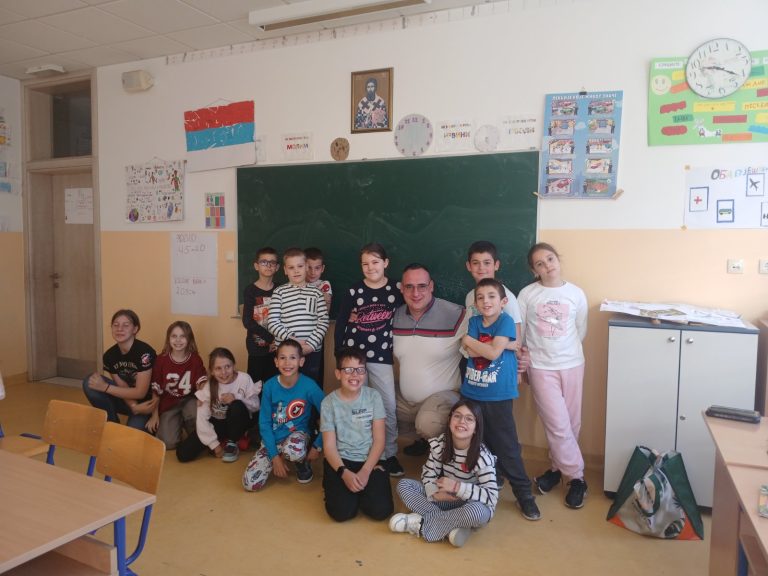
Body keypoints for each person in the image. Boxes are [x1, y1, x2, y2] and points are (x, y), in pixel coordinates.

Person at [461, 278, 541, 521]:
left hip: (498, 395)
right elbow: (473, 351)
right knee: (477, 443)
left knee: (507, 447)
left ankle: (524, 494)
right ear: (475, 303)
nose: (486, 301)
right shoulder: (474, 321)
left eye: (491, 297)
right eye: (480, 297)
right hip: (471, 392)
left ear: (503, 301)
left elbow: (492, 352)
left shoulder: (505, 321)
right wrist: (495, 345)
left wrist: (471, 341)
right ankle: (486, 483)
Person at [518, 242, 589, 509]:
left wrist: (565, 352)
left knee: (572, 423)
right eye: (540, 263)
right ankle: (577, 477)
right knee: (557, 424)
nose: (547, 266)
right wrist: (523, 365)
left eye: (550, 259)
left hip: (572, 364)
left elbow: (580, 329)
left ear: (558, 259)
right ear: (534, 270)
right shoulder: (527, 294)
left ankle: (557, 470)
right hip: (541, 367)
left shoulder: (576, 294)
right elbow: (521, 332)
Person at [334, 242, 404, 476]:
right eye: (365, 264)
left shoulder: (397, 289)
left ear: (386, 263)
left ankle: (389, 454)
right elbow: (341, 322)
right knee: (356, 404)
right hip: (355, 358)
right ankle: (356, 451)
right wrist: (339, 354)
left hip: (382, 357)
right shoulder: (354, 291)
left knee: (387, 405)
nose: (370, 267)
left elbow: (410, 312)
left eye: (375, 262)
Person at [389, 399, 497, 547]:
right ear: (449, 420)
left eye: (469, 419)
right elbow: (428, 472)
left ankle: (421, 524)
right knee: (404, 485)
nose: (462, 421)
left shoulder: (482, 456)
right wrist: (433, 492)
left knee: (476, 512)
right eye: (457, 416)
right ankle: (453, 527)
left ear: (476, 428)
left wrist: (457, 487)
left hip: (470, 504)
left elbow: (491, 497)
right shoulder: (440, 444)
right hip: (445, 499)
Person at [392, 263, 467, 457]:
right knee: (372, 405)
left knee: (428, 423)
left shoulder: (456, 314)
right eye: (409, 287)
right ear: (402, 289)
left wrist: (516, 349)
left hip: (445, 396)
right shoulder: (395, 316)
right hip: (406, 401)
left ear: (431, 286)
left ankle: (447, 453)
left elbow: (489, 327)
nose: (415, 293)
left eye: (422, 286)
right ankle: (424, 440)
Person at [320, 347, 393, 522]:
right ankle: (336, 485)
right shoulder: (328, 403)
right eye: (348, 370)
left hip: (371, 461)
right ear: (338, 374)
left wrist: (366, 471)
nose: (355, 375)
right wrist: (344, 472)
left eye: (360, 370)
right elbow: (329, 447)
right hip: (342, 461)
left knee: (381, 511)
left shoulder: (373, 396)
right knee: (341, 513)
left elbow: (379, 440)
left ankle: (359, 490)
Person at [242, 339, 324, 490]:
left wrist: (317, 446)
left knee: (293, 450)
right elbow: (264, 423)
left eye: (293, 357)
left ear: (301, 361)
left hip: (297, 436)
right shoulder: (269, 386)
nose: (287, 363)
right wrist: (274, 457)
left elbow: (329, 415)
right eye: (282, 358)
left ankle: (301, 463)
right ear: (276, 362)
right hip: (273, 438)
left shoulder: (310, 386)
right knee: (250, 484)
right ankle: (280, 455)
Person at [176, 348, 261, 463]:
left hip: (239, 422)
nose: (224, 372)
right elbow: (202, 419)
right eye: (218, 368)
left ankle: (233, 442)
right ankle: (223, 441)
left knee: (236, 406)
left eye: (227, 366)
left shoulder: (244, 379)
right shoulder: (208, 386)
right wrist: (214, 445)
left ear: (233, 365)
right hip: (219, 424)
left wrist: (236, 397)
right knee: (183, 454)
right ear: (211, 371)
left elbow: (256, 406)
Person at [83, 309, 157, 430]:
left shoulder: (144, 353)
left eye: (125, 325)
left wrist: (105, 387)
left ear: (135, 329)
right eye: (116, 325)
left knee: (133, 431)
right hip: (128, 400)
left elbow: (141, 392)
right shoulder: (109, 356)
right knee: (89, 382)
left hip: (146, 404)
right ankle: (112, 424)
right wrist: (133, 406)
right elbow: (122, 385)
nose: (119, 329)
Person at [267, 247, 329, 387]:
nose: (296, 271)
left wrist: (310, 345)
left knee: (309, 387)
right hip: (287, 353)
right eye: (291, 267)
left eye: (300, 266)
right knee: (287, 386)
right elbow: (272, 322)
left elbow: (323, 322)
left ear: (306, 267)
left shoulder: (317, 293)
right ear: (285, 270)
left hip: (311, 351)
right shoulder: (279, 292)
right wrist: (292, 341)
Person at [146, 321, 207, 449]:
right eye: (174, 336)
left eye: (182, 336)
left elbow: (201, 383)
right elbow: (156, 390)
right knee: (168, 443)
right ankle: (176, 426)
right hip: (168, 404)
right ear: (168, 339)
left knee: (195, 415)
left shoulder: (195, 359)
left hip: (189, 400)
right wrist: (154, 415)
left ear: (189, 339)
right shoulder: (161, 360)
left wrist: (203, 399)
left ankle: (190, 429)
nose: (178, 340)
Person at [464, 240, 522, 334]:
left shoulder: (506, 297)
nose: (481, 267)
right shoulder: (470, 296)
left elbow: (516, 339)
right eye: (475, 263)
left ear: (496, 265)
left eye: (487, 263)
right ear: (468, 266)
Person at [242, 246, 280, 386]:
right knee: (255, 387)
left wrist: (277, 341)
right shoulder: (250, 291)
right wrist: (270, 338)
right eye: (264, 262)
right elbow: (247, 321)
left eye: (272, 262)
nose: (268, 265)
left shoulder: (281, 290)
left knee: (274, 385)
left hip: (276, 349)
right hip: (256, 349)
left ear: (277, 267)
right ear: (256, 266)